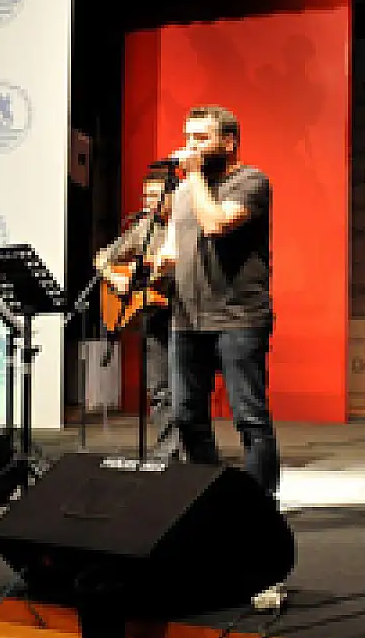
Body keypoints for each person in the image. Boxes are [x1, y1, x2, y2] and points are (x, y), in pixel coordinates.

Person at [153, 106, 276, 490]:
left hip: (238, 318)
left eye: (201, 138)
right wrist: (161, 262)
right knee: (185, 414)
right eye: (188, 138)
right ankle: (210, 493)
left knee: (249, 416)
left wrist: (192, 176)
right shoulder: (184, 192)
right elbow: (174, 245)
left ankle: (259, 502)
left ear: (228, 142)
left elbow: (216, 223)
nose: (191, 146)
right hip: (186, 318)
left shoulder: (251, 181)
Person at [95, 164, 177, 457]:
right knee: (159, 388)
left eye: (156, 195)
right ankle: (167, 450)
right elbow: (102, 257)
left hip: (185, 315)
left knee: (184, 388)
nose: (149, 202)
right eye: (145, 196)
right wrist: (114, 276)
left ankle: (191, 453)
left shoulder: (186, 226)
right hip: (154, 315)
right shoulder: (144, 227)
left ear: (173, 196)